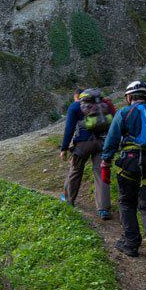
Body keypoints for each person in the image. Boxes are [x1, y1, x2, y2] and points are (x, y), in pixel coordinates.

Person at [101, 80, 146, 268]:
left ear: (129, 97)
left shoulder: (124, 113)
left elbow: (111, 139)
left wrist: (106, 161)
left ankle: (131, 243)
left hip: (131, 163)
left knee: (127, 202)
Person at [59, 87, 117, 219]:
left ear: (78, 96)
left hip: (83, 144)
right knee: (100, 173)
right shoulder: (104, 104)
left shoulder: (75, 106)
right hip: (102, 142)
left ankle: (68, 200)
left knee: (75, 170)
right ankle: (103, 209)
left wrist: (64, 148)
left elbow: (69, 128)